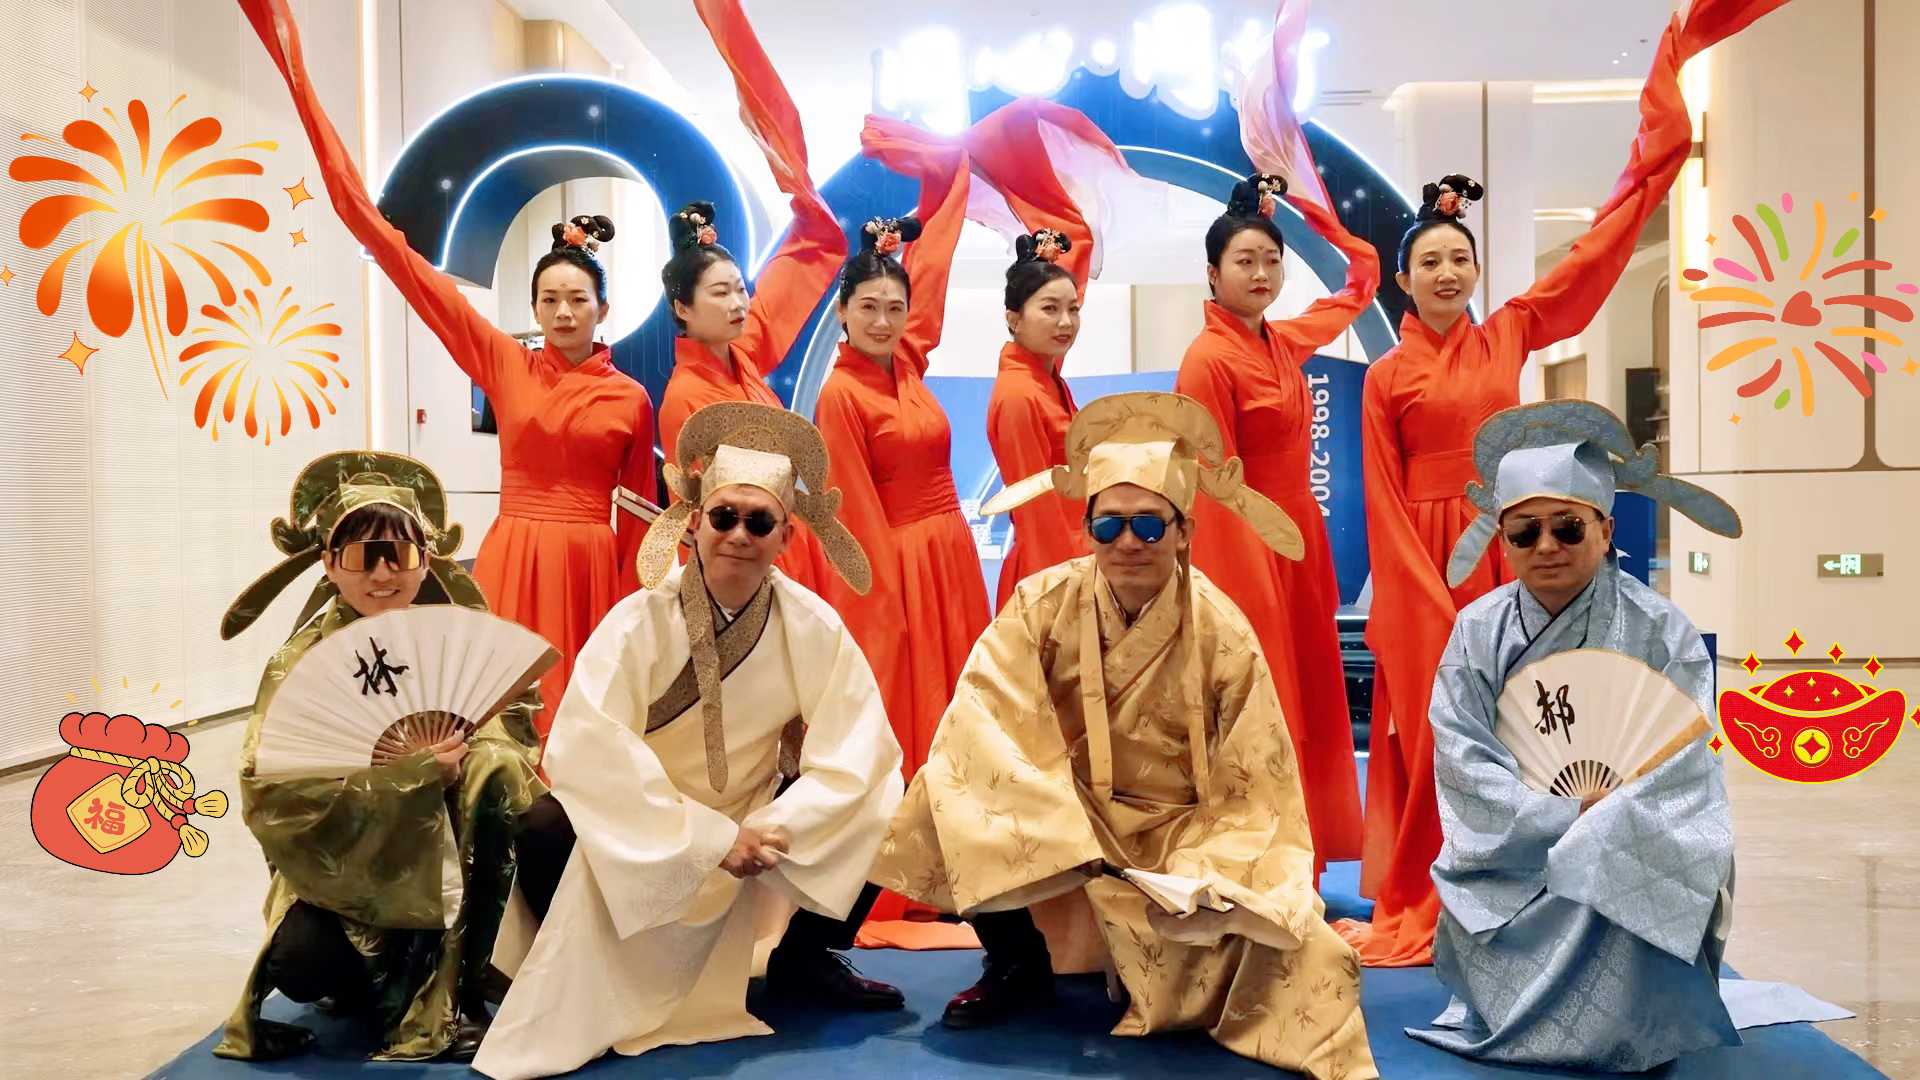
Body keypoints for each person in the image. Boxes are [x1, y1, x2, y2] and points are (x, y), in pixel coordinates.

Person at [1342, 0, 1792, 966]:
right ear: (1404, 280)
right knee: (1433, 734)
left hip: (1513, 548)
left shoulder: (1509, 331)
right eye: (1429, 261)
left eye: (1460, 258)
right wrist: (1420, 595)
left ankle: (1524, 885)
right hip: (1424, 565)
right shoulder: (1385, 376)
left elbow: (1590, 261)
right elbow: (1380, 489)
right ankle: (1425, 892)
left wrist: (1653, 162)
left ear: (1476, 269)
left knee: (1529, 719)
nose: (1447, 272)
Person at [871, 392, 1377, 1080]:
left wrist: (1216, 859)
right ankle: (1017, 962)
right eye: (1108, 526)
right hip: (1067, 810)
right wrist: (1053, 815)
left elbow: (1258, 777)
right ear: (1086, 531)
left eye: (1148, 524)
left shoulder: (1221, 628)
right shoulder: (1041, 603)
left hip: (1179, 832)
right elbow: (985, 715)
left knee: (1312, 962)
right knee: (944, 785)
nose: (1129, 543)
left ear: (1183, 530)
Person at [235, 0, 657, 742]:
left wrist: (629, 599)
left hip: (593, 564)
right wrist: (366, 221)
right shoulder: (504, 360)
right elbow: (418, 279)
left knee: (582, 720)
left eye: (578, 299)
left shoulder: (630, 397)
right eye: (550, 299)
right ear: (534, 306)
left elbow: (642, 512)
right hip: (516, 551)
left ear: (603, 308)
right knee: (490, 712)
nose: (564, 312)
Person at [472, 403, 906, 1080]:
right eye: (724, 516)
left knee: (884, 798)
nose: (738, 535)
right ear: (694, 521)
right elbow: (589, 745)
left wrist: (774, 824)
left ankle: (805, 960)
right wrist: (705, 838)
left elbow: (858, 747)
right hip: (649, 819)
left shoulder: (811, 623)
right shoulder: (638, 619)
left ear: (787, 536)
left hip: (756, 816)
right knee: (546, 824)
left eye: (759, 522)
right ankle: (580, 968)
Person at [1406, 399, 1744, 1070]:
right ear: (1502, 540)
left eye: (1567, 527)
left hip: (1632, 822)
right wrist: (1554, 812)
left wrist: (1609, 810)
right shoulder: (1478, 630)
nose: (1547, 547)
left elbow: (1685, 752)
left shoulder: (1661, 630)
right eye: (1524, 532)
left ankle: (1633, 1027)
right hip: (1518, 835)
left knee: (1606, 844)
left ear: (1606, 529)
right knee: (1569, 843)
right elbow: (1462, 751)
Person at [213, 453, 560, 1063]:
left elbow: (509, 732)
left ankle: (461, 984)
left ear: (425, 560)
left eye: (398, 554)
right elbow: (274, 795)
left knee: (515, 788)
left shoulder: (453, 641)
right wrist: (411, 777)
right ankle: (379, 982)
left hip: (454, 861)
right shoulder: (298, 664)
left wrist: (469, 761)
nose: (382, 574)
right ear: (329, 563)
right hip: (350, 878)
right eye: (362, 555)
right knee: (303, 963)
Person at [1175, 172, 1378, 873]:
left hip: (1298, 545)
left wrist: (1337, 232)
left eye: (1271, 260)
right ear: (1213, 274)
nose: (1261, 273)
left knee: (1307, 696)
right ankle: (1256, 860)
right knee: (1258, 700)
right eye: (1244, 261)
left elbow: (1355, 291)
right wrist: (1244, 584)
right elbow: (1210, 487)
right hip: (1246, 552)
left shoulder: (1279, 342)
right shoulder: (1207, 360)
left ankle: (1303, 851)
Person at [656, 0, 847, 595]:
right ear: (683, 308)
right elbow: (709, 512)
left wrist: (794, 179)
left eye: (742, 288)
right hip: (742, 560)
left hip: (785, 541)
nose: (740, 302)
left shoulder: (743, 354)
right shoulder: (688, 396)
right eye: (721, 292)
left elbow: (814, 248)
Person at [987, 229, 1087, 609]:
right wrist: (1066, 593)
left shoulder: (1046, 380)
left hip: (1078, 555)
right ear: (1014, 318)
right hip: (1049, 573)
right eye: (1049, 309)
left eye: (1073, 309)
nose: (1065, 322)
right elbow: (1036, 511)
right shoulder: (1019, 394)